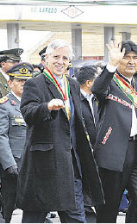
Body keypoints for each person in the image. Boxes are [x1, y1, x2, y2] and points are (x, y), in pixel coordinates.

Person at [16, 39, 104, 223]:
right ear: (46, 58)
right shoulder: (35, 84)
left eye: (65, 58)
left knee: (75, 216)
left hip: (71, 161)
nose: (60, 61)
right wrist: (47, 107)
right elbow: (28, 113)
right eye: (56, 56)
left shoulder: (72, 84)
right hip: (44, 162)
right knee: (35, 215)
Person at [92, 40, 137, 223]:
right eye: (126, 58)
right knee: (109, 207)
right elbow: (97, 90)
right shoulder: (109, 82)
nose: (131, 61)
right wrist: (111, 65)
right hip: (113, 152)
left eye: (135, 58)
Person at [0, 63, 32, 223]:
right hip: (14, 166)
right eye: (19, 80)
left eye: (26, 81)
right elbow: (1, 136)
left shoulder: (34, 103)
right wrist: (9, 164)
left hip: (34, 164)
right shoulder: (5, 105)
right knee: (8, 207)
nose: (23, 84)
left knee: (35, 208)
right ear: (10, 83)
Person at [76, 65, 98, 222]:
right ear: (89, 82)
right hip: (82, 152)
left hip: (99, 151)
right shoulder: (74, 98)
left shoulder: (98, 99)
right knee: (84, 191)